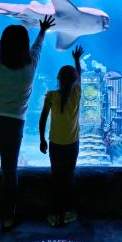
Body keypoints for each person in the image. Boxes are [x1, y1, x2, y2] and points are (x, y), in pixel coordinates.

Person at [0, 15, 55, 231]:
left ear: (2, 45)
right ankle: (8, 217)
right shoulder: (30, 66)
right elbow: (38, 47)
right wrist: (43, 30)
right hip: (14, 124)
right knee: (9, 171)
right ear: (24, 46)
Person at [39, 45, 84, 227]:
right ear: (74, 81)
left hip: (55, 144)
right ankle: (68, 212)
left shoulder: (51, 95)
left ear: (58, 79)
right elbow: (79, 77)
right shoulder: (77, 94)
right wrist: (76, 60)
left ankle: (53, 213)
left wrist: (42, 139)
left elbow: (42, 120)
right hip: (72, 143)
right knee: (69, 177)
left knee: (56, 177)